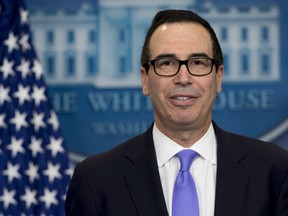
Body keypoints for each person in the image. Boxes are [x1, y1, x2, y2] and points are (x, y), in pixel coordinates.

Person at [65, 9, 288, 216]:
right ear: (145, 79)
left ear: (218, 77)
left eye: (198, 62)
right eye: (167, 63)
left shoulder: (275, 170)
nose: (183, 78)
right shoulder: (96, 180)